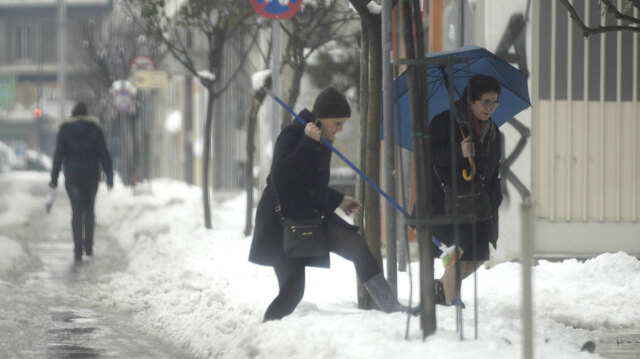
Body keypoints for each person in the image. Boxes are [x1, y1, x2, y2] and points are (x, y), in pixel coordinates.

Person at [249, 87, 416, 321]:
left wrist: (339, 200)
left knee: (357, 246)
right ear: (322, 117)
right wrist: (308, 143)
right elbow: (282, 176)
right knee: (293, 291)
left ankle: (392, 308)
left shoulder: (320, 137)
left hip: (311, 214)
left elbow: (310, 185)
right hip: (283, 222)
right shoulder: (293, 133)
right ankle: (266, 333)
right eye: (337, 123)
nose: (340, 129)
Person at [429, 75, 503, 307]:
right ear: (471, 100)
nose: (489, 108)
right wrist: (458, 151)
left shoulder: (493, 132)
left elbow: (494, 167)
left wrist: (494, 197)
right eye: (485, 102)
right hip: (449, 201)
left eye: (494, 103)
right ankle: (447, 303)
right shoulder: (444, 123)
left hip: (480, 204)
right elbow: (430, 157)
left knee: (478, 256)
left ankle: (440, 288)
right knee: (456, 251)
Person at [50, 102, 114, 261]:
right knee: (90, 211)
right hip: (91, 177)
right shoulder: (95, 129)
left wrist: (54, 178)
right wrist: (109, 175)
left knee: (76, 212)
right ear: (86, 114)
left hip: (73, 178)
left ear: (72, 114)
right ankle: (89, 247)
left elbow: (58, 155)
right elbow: (104, 153)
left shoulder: (65, 130)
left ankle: (78, 248)